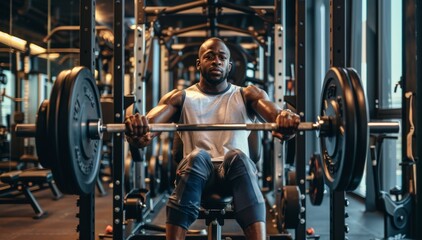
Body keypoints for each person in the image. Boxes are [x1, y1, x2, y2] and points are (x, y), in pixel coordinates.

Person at [124, 37, 300, 240]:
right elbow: (148, 129)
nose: (216, 61)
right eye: (209, 56)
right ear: (199, 63)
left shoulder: (247, 94)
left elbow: (274, 113)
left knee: (237, 156)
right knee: (198, 156)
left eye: (222, 57)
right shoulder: (180, 97)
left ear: (229, 65)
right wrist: (139, 127)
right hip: (197, 177)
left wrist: (284, 117)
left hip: (234, 176)